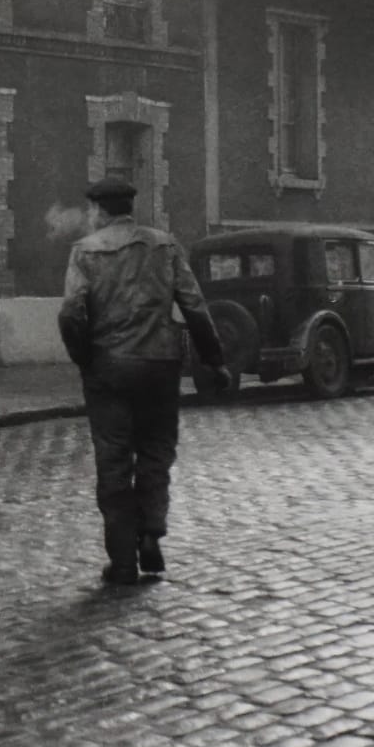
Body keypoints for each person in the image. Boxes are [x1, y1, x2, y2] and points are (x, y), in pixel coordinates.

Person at [58, 177, 231, 586]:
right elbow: (195, 306)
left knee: (114, 460)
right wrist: (216, 360)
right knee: (155, 454)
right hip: (159, 366)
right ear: (130, 207)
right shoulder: (165, 246)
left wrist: (86, 358)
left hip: (110, 367)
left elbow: (71, 313)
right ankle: (151, 534)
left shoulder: (85, 252)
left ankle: (121, 562)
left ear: (100, 211)